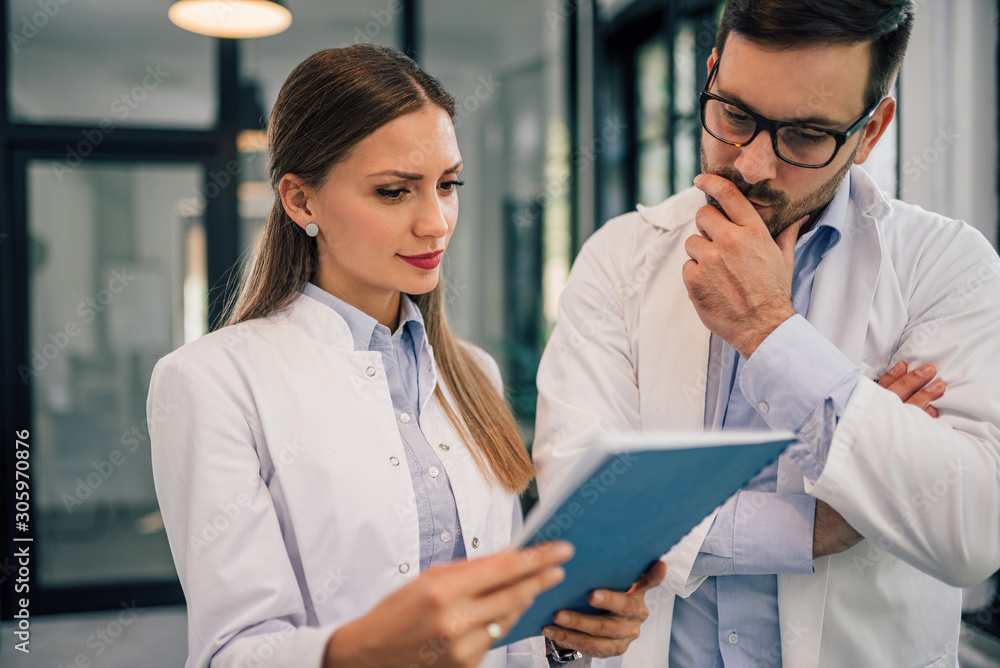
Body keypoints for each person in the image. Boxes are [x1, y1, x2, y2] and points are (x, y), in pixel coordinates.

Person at [148, 44, 662, 668]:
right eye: (394, 192)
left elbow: (499, 626)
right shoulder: (211, 382)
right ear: (300, 201)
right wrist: (362, 649)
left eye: (447, 185)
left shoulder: (474, 373)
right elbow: (232, 653)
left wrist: (563, 638)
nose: (436, 223)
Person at [532, 1, 1000, 666]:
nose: (751, 166)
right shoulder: (619, 258)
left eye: (806, 136)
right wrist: (815, 522)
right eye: (736, 116)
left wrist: (769, 331)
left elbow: (971, 531)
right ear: (713, 71)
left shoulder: (946, 267)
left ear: (872, 132)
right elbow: (585, 518)